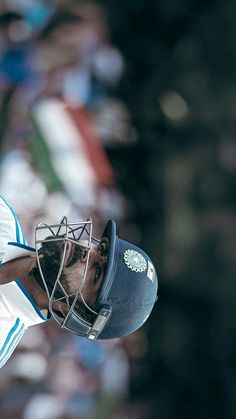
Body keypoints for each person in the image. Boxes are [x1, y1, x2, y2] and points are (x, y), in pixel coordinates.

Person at [0, 195, 158, 368]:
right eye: (101, 249)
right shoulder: (3, 217)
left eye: (97, 272)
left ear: (77, 310)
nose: (87, 251)